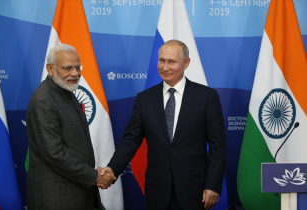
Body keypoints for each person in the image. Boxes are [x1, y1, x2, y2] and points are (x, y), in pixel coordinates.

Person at [99, 40, 227, 210]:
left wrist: (213, 185)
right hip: (157, 191)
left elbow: (218, 146)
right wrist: (112, 170)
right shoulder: (144, 99)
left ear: (186, 63)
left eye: (172, 62)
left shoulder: (207, 97)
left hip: (195, 191)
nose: (165, 67)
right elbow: (130, 141)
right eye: (162, 61)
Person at [26, 44, 115, 210]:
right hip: (57, 198)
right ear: (50, 69)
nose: (75, 73)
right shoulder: (44, 100)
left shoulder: (65, 91)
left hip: (74, 192)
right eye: (67, 68)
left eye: (77, 67)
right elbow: (54, 154)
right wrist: (95, 176)